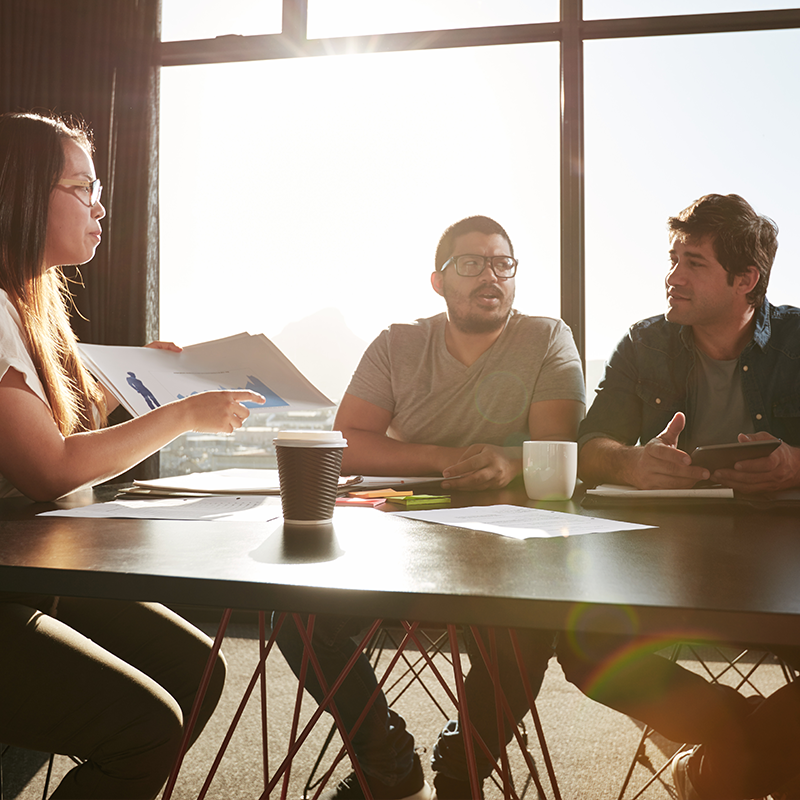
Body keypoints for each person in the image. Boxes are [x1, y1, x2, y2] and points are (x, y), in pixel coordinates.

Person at [0, 110, 265, 798]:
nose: (100, 206)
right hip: (8, 582)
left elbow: (55, 428)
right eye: (81, 187)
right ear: (22, 193)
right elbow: (49, 467)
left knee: (198, 671)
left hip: (30, 571)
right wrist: (182, 415)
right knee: (144, 728)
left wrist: (138, 383)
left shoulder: (25, 305)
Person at [275, 215, 585, 799]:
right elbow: (350, 441)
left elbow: (553, 445)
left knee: (527, 634)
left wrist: (512, 464)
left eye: (503, 263)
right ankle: (386, 760)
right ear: (439, 282)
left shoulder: (547, 337)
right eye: (472, 264)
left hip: (511, 540)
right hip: (399, 531)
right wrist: (450, 460)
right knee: (298, 618)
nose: (490, 276)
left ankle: (463, 763)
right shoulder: (398, 342)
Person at [567, 193, 800, 799]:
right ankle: (752, 746)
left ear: (746, 279)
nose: (672, 278)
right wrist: (629, 461)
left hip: (785, 566)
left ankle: (705, 771)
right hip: (668, 562)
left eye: (693, 263)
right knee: (579, 641)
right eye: (673, 260)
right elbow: (590, 443)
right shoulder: (646, 343)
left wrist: (795, 465)